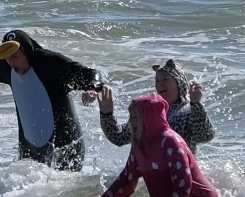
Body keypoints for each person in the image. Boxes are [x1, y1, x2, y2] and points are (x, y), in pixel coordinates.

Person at [0, 29, 102, 171]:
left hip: (66, 144)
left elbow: (90, 73)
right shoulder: (7, 69)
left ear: (27, 51)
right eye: (7, 58)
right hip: (30, 147)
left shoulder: (49, 63)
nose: (11, 62)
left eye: (16, 56)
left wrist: (92, 88)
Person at [82, 93, 219, 197]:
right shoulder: (139, 144)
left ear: (149, 119)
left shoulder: (170, 141)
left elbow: (183, 183)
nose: (130, 122)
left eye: (135, 118)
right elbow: (128, 177)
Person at [82, 59, 214, 152]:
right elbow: (119, 138)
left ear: (179, 83)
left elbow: (206, 135)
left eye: (166, 79)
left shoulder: (188, 111)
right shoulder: (149, 112)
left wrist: (196, 104)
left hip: (181, 174)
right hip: (152, 175)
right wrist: (106, 114)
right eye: (157, 80)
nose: (160, 84)